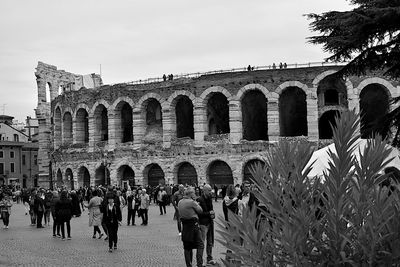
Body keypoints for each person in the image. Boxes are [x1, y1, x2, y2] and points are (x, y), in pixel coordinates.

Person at [178, 187, 204, 267]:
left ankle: (188, 265)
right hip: (193, 225)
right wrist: (195, 201)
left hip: (185, 226)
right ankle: (199, 264)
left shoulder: (180, 202)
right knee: (200, 244)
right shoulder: (192, 202)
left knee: (187, 246)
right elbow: (200, 211)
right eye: (193, 193)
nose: (195, 194)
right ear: (190, 194)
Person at [197, 184, 216, 265]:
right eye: (209, 190)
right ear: (204, 190)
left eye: (210, 190)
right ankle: (199, 262)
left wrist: (212, 214)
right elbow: (199, 213)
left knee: (210, 242)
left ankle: (209, 258)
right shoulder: (200, 200)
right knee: (202, 243)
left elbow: (211, 209)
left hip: (209, 223)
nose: (210, 192)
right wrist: (209, 213)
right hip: (203, 224)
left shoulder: (209, 198)